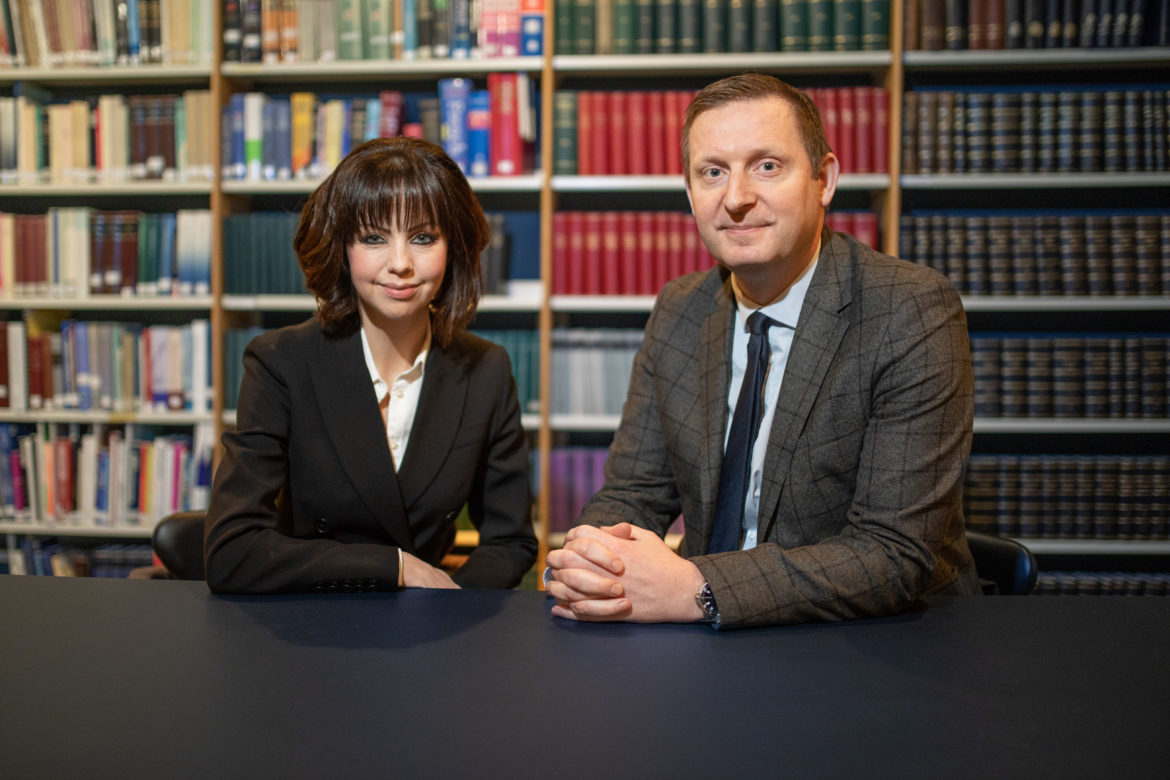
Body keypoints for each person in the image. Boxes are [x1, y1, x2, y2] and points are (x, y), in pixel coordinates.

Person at [545, 73, 980, 628]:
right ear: (690, 192)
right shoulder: (680, 309)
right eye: (713, 172)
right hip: (710, 638)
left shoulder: (910, 309)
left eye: (766, 166)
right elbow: (634, 492)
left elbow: (893, 553)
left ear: (824, 179)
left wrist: (698, 588)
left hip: (879, 642)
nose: (737, 198)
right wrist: (592, 558)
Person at [205, 137, 537, 594]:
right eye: (374, 238)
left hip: (431, 632)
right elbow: (231, 550)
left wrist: (452, 607)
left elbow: (510, 541)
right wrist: (396, 567)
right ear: (341, 247)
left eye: (423, 237)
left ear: (453, 248)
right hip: (307, 631)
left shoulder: (486, 369)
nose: (400, 263)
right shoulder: (281, 362)